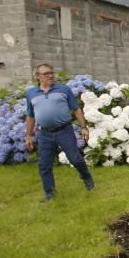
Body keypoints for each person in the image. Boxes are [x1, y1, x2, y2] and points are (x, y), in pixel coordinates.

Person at [24, 64, 95, 201]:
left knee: (76, 159)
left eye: (51, 73)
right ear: (38, 77)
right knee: (44, 165)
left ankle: (86, 177)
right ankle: (50, 194)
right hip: (44, 134)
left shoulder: (64, 90)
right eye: (46, 74)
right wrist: (28, 135)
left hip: (65, 131)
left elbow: (75, 109)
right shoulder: (31, 94)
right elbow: (30, 115)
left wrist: (83, 126)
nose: (50, 75)